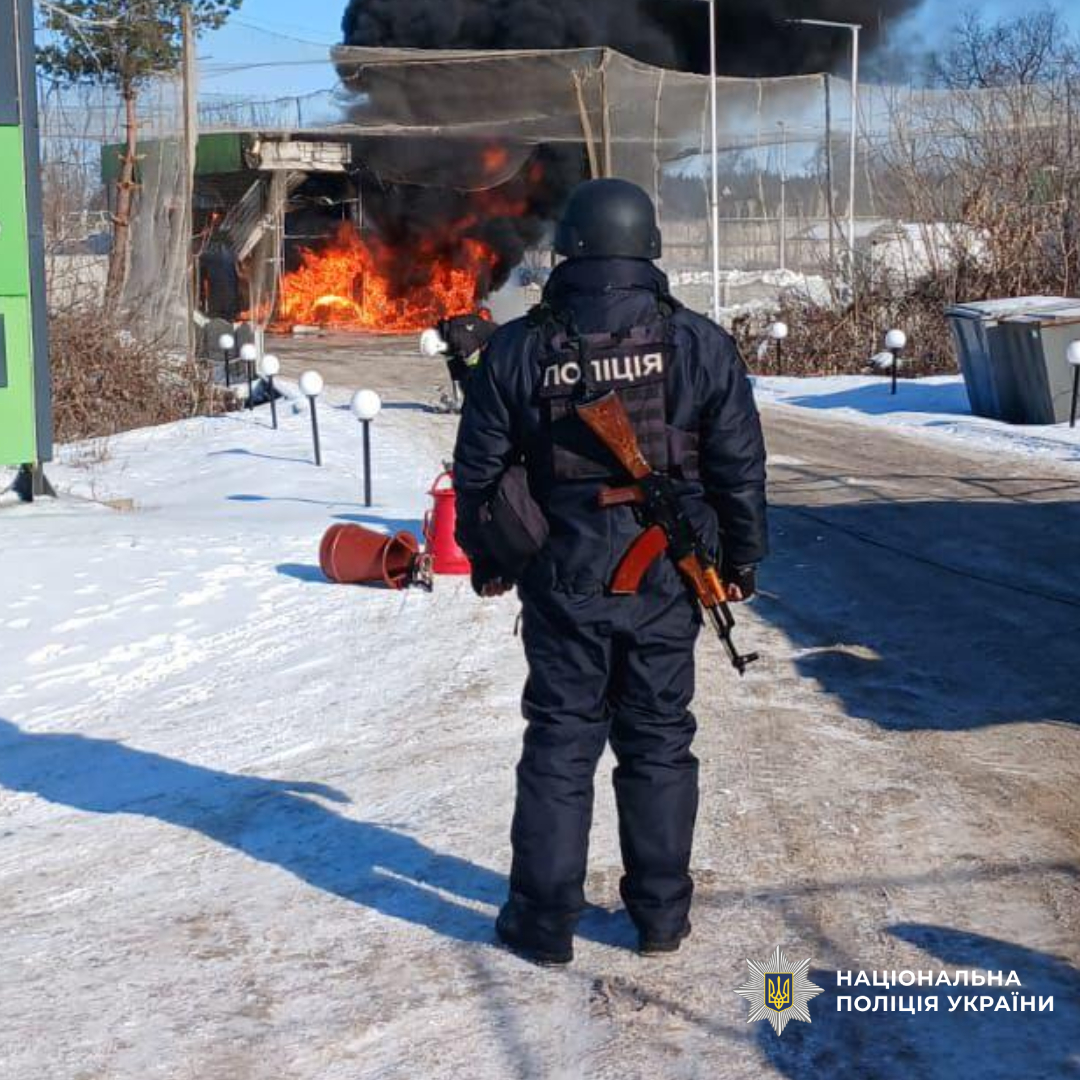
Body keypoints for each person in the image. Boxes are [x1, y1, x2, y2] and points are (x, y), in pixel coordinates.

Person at [453, 178, 768, 965]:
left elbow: (478, 472)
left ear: (569, 249)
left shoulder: (519, 349)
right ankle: (660, 916)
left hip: (564, 584)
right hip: (666, 582)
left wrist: (493, 561)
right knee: (659, 743)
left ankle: (543, 921)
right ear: (648, 246)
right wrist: (742, 558)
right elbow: (738, 467)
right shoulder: (698, 344)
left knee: (561, 746)